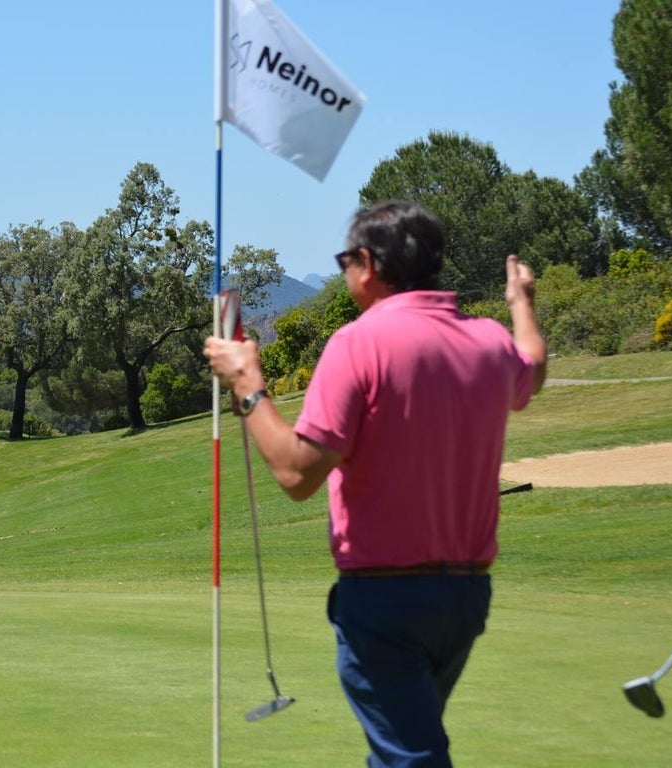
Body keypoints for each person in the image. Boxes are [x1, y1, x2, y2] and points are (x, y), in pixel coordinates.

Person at [204, 200, 547, 767]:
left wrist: (247, 384)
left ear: (367, 263)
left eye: (346, 261)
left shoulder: (357, 344)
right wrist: (521, 304)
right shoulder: (489, 341)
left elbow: (296, 472)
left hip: (385, 599)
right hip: (465, 598)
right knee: (402, 748)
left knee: (409, 757)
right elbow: (532, 365)